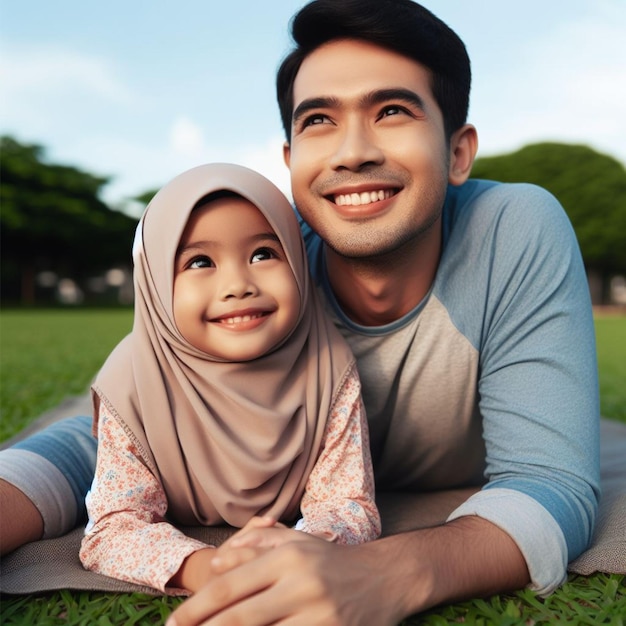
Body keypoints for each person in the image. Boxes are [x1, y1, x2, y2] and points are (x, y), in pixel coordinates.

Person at [0, 0, 600, 623]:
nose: (352, 153)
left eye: (392, 110)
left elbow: (551, 482)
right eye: (319, 119)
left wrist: (384, 575)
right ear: (289, 163)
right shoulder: (263, 278)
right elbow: (115, 436)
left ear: (457, 152)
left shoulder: (511, 229)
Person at [76, 162, 379, 593]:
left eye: (263, 254)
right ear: (157, 283)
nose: (238, 285)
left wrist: (302, 549)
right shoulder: (133, 378)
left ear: (296, 259)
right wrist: (208, 568)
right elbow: (111, 528)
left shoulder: (328, 364)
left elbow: (349, 506)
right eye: (200, 261)